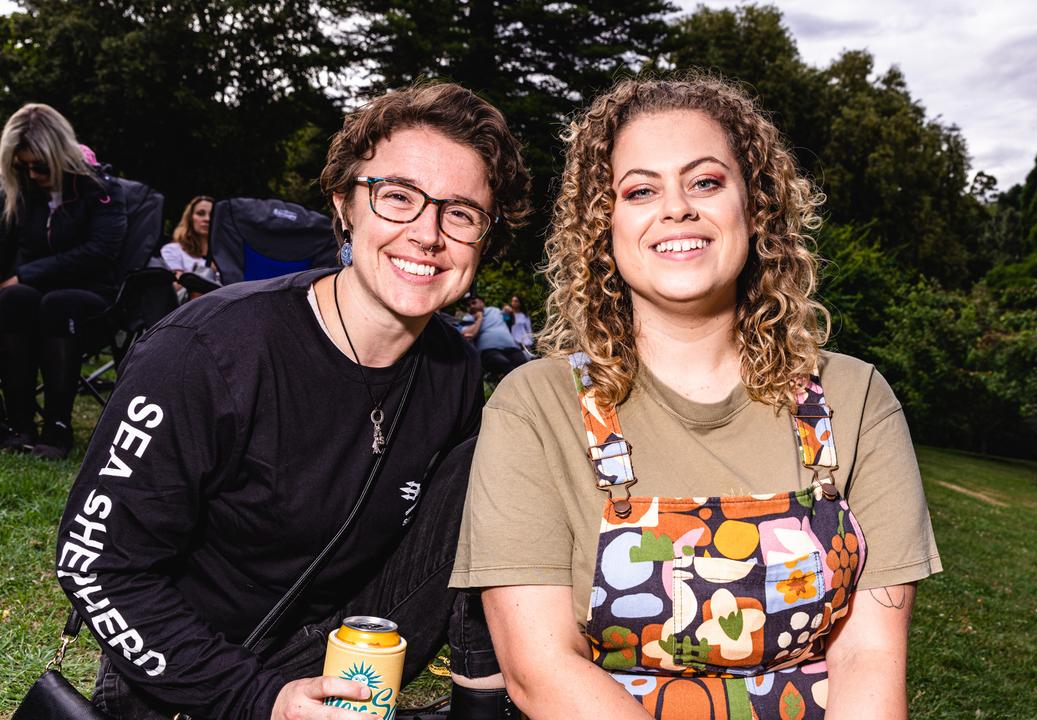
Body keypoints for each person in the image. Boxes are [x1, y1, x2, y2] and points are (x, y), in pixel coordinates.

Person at [451, 76, 942, 719]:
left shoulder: (856, 401)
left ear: (756, 205)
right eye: (640, 190)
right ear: (604, 226)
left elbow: (869, 661)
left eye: (705, 182)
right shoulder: (535, 408)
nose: (676, 208)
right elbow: (540, 668)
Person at [55, 82, 530, 719]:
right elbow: (96, 566)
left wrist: (481, 689)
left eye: (462, 214)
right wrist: (262, 701)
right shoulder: (207, 350)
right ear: (344, 204)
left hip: (343, 650)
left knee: (500, 453)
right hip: (194, 674)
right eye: (397, 198)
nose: (428, 234)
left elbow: (469, 543)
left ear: (484, 239)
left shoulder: (453, 370)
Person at [0, 103, 126, 460]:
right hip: (33, 299)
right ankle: (19, 425)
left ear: (58, 154)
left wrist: (24, 274)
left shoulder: (103, 188)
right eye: (22, 166)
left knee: (55, 303)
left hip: (92, 300)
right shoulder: (21, 193)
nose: (32, 174)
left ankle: (58, 427)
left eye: (39, 165)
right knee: (13, 300)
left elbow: (100, 252)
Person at [460, 294, 528, 378]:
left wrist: (509, 312)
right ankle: (518, 385)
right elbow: (469, 334)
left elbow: (510, 319)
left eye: (473, 302)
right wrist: (479, 319)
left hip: (511, 348)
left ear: (482, 302)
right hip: (489, 352)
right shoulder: (468, 318)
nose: (471, 306)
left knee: (524, 364)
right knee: (505, 365)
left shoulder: (494, 310)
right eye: (468, 305)